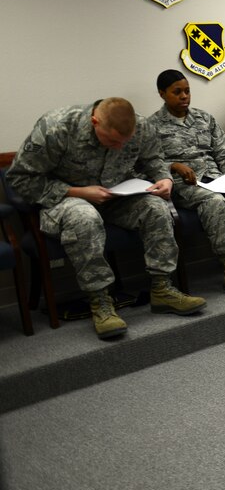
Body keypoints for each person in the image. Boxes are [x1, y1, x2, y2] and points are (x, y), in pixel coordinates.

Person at [7, 98, 207, 340]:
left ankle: (162, 289)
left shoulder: (142, 127)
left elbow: (153, 160)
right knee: (84, 216)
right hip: (65, 199)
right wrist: (77, 192)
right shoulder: (56, 127)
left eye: (125, 142)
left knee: (155, 206)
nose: (119, 148)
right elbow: (20, 179)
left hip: (115, 196)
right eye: (112, 141)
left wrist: (164, 179)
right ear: (94, 122)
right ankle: (101, 302)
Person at [147, 69, 225, 296]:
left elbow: (224, 153)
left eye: (187, 91)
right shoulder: (151, 126)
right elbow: (147, 164)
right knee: (214, 202)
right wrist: (173, 166)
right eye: (177, 92)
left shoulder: (204, 118)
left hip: (215, 177)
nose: (184, 96)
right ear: (162, 94)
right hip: (184, 185)